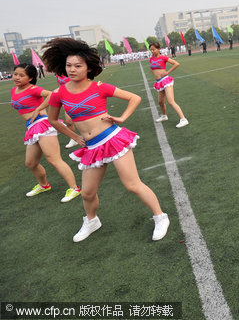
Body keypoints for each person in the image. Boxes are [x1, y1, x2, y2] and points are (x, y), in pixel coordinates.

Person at [42, 38, 170, 242]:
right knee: (87, 193)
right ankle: (92, 221)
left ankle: (160, 217)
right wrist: (75, 137)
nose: (72, 69)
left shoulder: (99, 87)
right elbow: (53, 120)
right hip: (91, 147)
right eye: (68, 65)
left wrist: (122, 118)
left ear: (88, 67)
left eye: (78, 65)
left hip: (113, 139)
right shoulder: (59, 93)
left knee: (132, 184)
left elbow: (134, 98)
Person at [10, 63, 81, 203]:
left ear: (30, 78)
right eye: (15, 74)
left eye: (21, 75)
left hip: (42, 124)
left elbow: (52, 95)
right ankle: (44, 185)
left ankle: (74, 188)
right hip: (31, 128)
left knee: (54, 159)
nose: (17, 77)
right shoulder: (14, 90)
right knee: (31, 163)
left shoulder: (33, 89)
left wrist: (38, 109)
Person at [148, 42, 188, 127]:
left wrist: (167, 72)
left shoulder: (163, 57)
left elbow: (176, 64)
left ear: (158, 49)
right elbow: (151, 68)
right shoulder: (151, 59)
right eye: (151, 50)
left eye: (154, 49)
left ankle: (183, 119)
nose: (152, 51)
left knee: (170, 101)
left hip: (166, 81)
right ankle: (164, 116)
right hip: (159, 82)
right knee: (160, 102)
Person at [55, 74, 80, 148]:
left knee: (86, 118)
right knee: (69, 121)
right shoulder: (58, 74)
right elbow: (59, 86)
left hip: (79, 96)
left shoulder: (71, 70)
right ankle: (74, 139)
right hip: (66, 99)